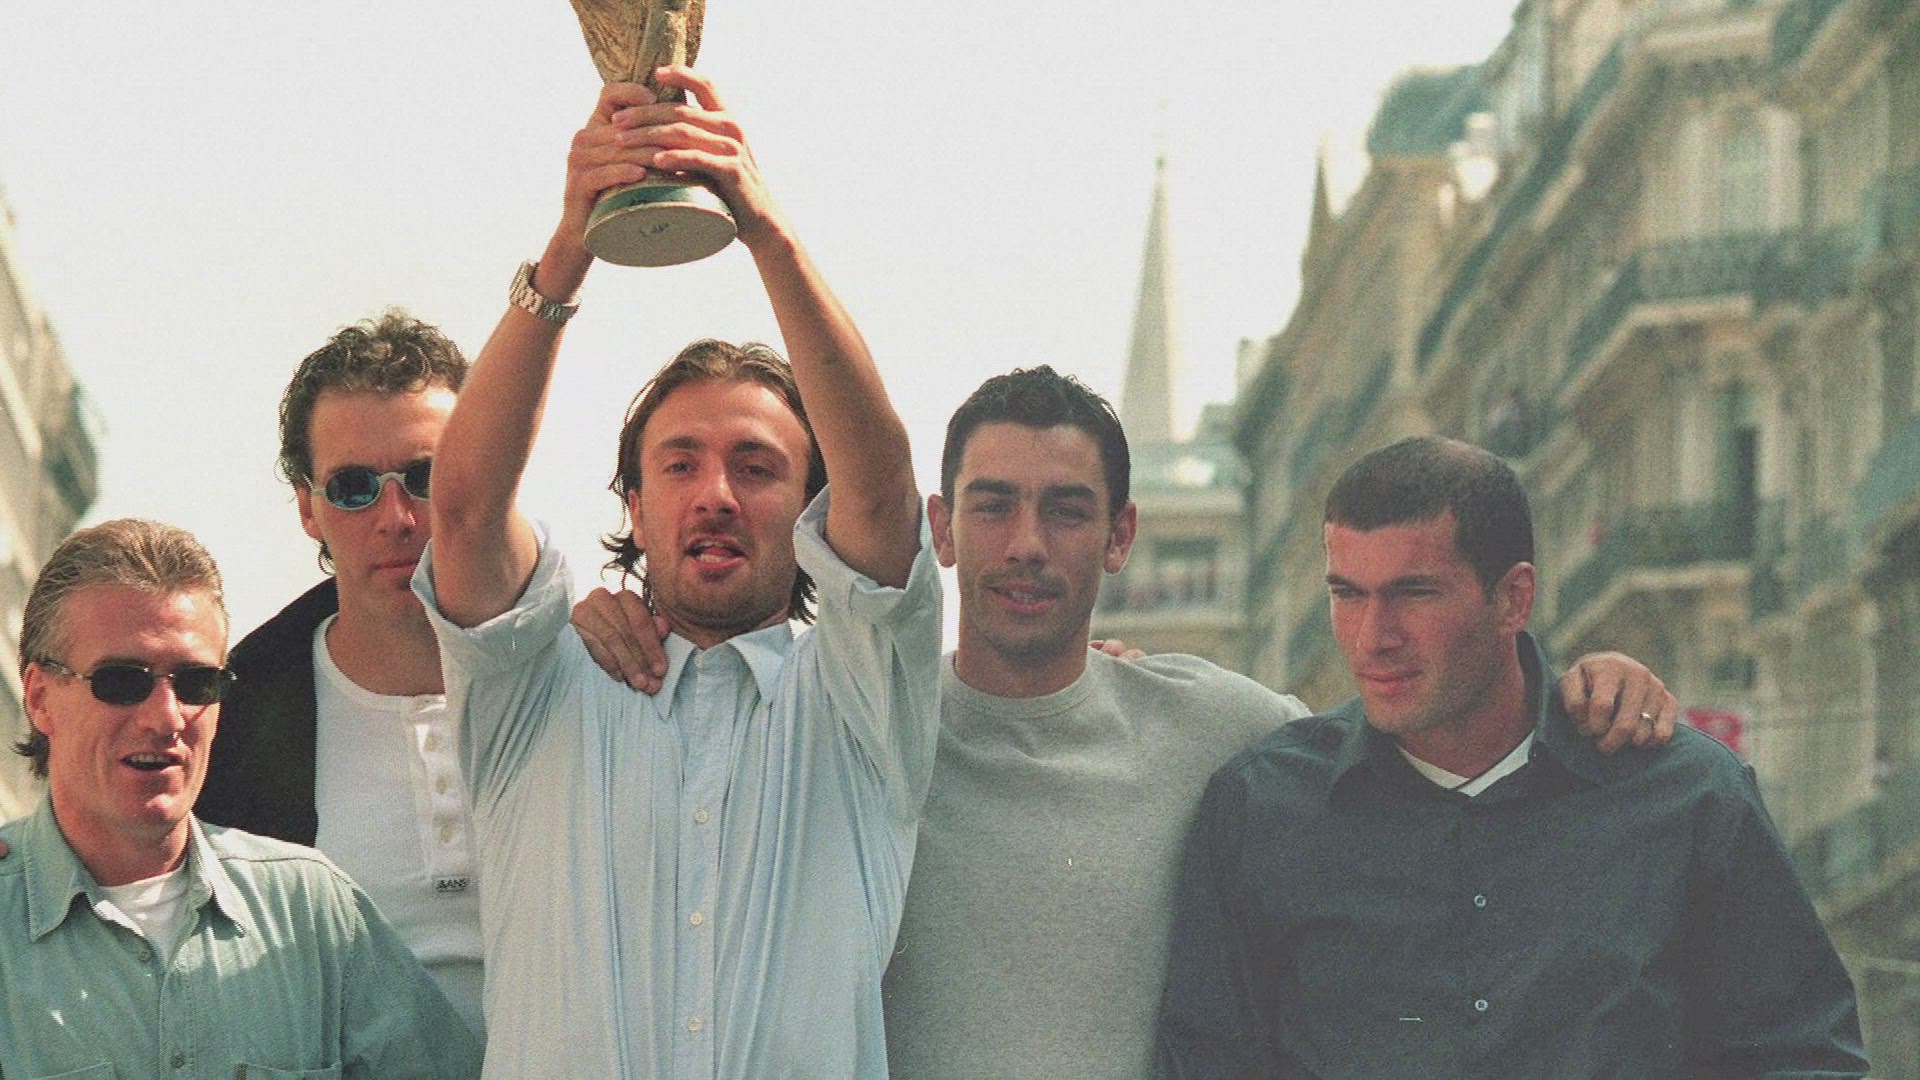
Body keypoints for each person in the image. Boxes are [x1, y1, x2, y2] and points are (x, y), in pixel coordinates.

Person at [575, 367, 1680, 1078]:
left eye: (1067, 510)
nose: (1026, 544)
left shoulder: (1222, 731)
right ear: (941, 529)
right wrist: (605, 626)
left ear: (1120, 536)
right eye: (994, 505)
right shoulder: (845, 731)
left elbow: (1431, 735)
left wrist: (1581, 682)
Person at [415, 68, 939, 1076]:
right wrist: (570, 245)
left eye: (758, 467)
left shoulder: (864, 704)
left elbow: (883, 496)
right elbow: (467, 508)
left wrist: (764, 230)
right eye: (681, 464)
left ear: (811, 508)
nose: (717, 495)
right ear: (634, 506)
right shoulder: (536, 689)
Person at [1156, 436, 1868, 1078]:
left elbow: (1803, 1053)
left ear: (1512, 599)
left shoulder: (1686, 796)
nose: (1373, 637)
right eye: (1348, 595)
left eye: (1414, 593)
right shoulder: (1262, 810)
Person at [1, 518, 481, 1077]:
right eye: (122, 681)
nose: (166, 718)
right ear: (40, 697)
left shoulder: (311, 913)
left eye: (196, 683)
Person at [197, 311, 486, 1037]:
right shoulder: (230, 719)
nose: (396, 517)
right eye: (354, 487)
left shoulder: (572, 671)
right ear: (308, 507)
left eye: (424, 477)